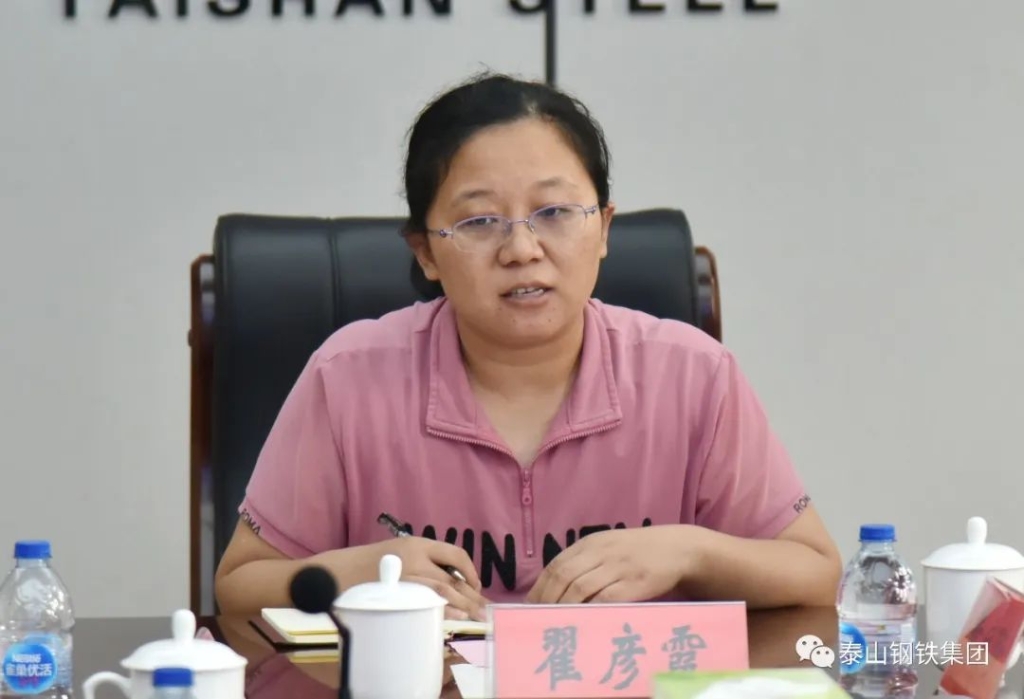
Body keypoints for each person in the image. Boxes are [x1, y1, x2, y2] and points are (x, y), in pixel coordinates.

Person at [214, 71, 842, 621]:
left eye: (555, 212)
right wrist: (363, 571)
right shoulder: (348, 377)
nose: (522, 249)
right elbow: (240, 587)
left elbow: (814, 571)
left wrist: (689, 551)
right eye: (480, 221)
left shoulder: (693, 374)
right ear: (426, 252)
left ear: (604, 229)